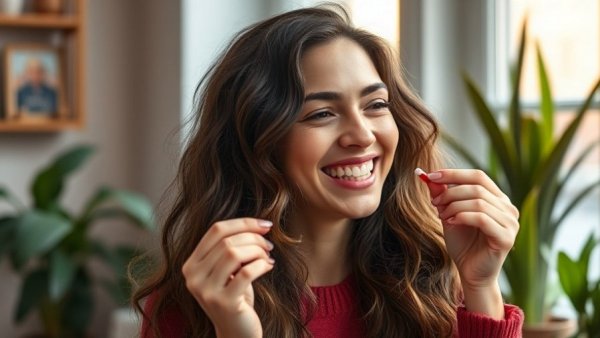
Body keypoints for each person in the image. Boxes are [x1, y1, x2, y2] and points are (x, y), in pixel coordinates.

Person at [134, 4, 523, 337]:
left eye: (376, 105)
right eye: (322, 113)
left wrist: (481, 286)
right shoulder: (191, 306)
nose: (362, 135)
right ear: (258, 142)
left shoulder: (433, 280)